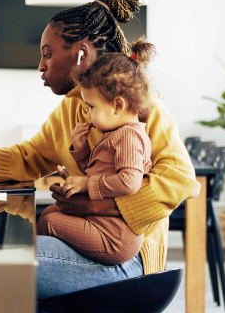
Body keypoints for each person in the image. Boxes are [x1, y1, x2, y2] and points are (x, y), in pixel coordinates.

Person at [0, 0, 198, 313]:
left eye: (47, 54)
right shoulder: (72, 108)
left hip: (126, 259)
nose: (40, 66)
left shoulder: (141, 108)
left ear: (80, 53)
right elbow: (31, 158)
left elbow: (180, 181)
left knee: (0, 265)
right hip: (85, 242)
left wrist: (94, 204)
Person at [36, 39, 158, 266]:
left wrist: (85, 185)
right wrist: (81, 148)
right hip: (102, 226)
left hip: (114, 237)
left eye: (91, 107)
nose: (88, 114)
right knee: (50, 213)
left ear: (118, 105)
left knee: (47, 223)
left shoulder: (129, 137)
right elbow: (98, 171)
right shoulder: (115, 134)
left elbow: (129, 182)